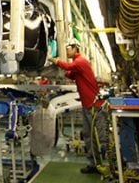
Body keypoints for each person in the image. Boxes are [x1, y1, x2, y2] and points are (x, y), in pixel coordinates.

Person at [49, 38, 108, 174]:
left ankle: (114, 162)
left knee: (101, 137)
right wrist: (56, 70)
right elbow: (70, 74)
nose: (67, 50)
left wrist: (54, 60)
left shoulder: (81, 61)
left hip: (95, 106)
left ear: (76, 48)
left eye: (69, 48)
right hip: (87, 106)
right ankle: (93, 164)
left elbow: (68, 68)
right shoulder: (78, 65)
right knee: (88, 135)